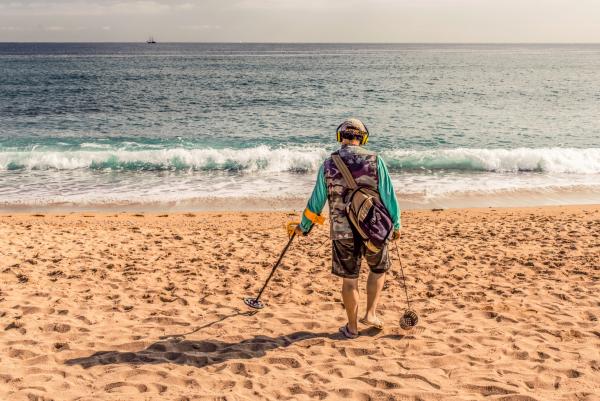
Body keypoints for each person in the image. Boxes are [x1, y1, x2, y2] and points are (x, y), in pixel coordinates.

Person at [293, 118, 401, 339]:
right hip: (374, 230)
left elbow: (316, 202)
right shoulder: (375, 160)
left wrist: (304, 227)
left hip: (343, 232)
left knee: (350, 279)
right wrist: (396, 225)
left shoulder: (329, 164)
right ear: (363, 138)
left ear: (340, 137)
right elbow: (389, 196)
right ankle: (370, 314)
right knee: (378, 270)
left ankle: (352, 328)